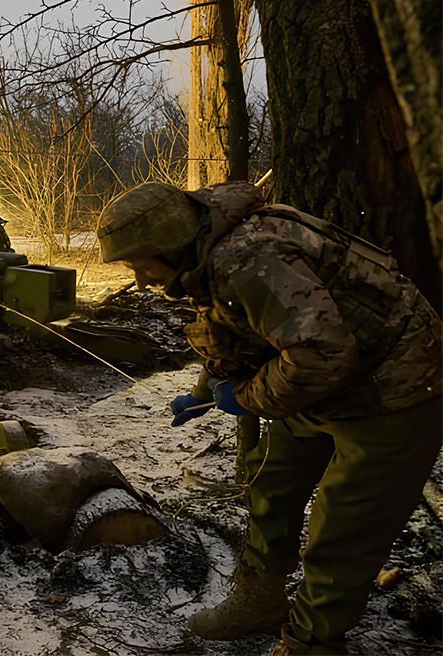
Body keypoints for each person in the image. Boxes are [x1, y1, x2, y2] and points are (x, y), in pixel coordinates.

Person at [96, 181, 442, 656]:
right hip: (327, 383)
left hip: (397, 386)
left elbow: (322, 354)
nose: (139, 280)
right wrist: (202, 393)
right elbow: (234, 332)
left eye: (140, 264)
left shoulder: (250, 259)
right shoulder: (207, 253)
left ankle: (311, 643)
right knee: (270, 483)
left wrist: (249, 398)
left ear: (167, 247)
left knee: (342, 529)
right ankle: (259, 599)